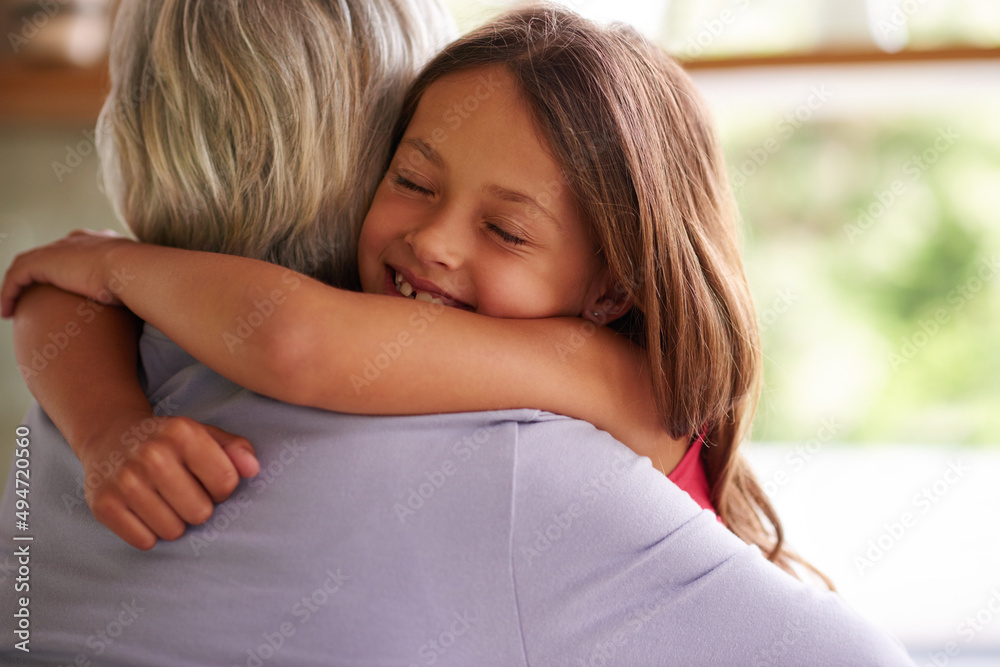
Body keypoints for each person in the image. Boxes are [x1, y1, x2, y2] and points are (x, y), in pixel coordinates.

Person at [1, 3, 913, 665]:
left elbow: (294, 339)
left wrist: (112, 270)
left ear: (611, 291)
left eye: (507, 231)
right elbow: (54, 294)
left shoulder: (601, 382)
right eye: (412, 180)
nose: (432, 241)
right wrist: (108, 419)